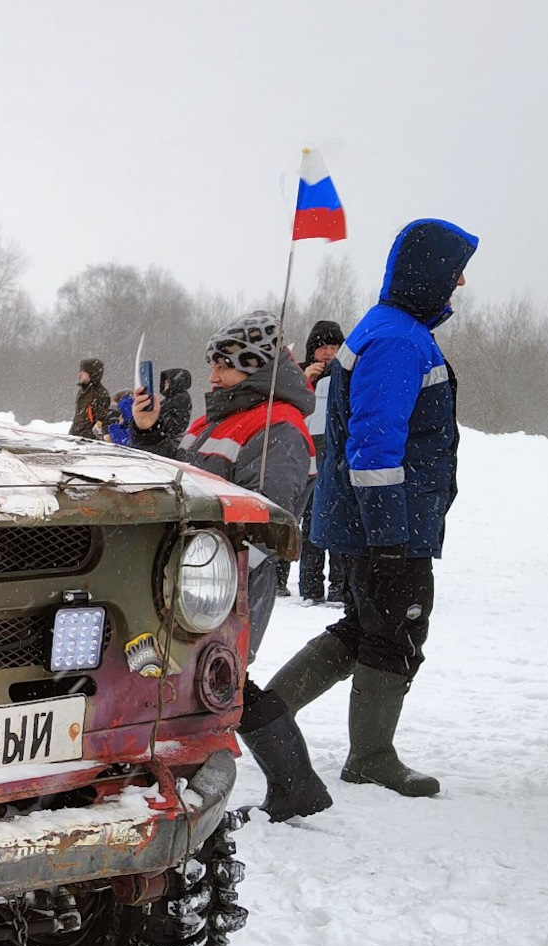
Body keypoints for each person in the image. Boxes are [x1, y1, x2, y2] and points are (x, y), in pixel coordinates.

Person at [265, 219, 479, 799]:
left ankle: (258, 716)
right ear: (428, 270)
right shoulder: (396, 340)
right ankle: (370, 755)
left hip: (387, 522)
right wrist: (388, 536)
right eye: (454, 268)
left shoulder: (397, 330)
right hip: (388, 525)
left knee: (364, 628)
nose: (461, 280)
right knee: (394, 631)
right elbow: (374, 444)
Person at [133, 309, 329, 821]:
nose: (214, 376)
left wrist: (219, 575)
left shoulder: (277, 427)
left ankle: (296, 786)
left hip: (226, 583)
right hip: (188, 576)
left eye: (226, 367)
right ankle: (295, 786)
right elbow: (173, 481)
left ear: (256, 370)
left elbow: (269, 522)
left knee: (224, 681)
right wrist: (150, 435)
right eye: (214, 364)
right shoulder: (214, 418)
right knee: (215, 680)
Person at [297, 319, 347, 604]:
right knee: (311, 520)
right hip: (308, 452)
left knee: (339, 519)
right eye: (322, 347)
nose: (328, 353)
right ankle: (310, 587)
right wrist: (306, 379)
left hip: (337, 450)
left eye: (333, 346)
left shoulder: (348, 372)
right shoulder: (299, 375)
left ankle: (339, 586)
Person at [129, 366, 191, 457]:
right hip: (165, 436)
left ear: (175, 382)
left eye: (167, 381)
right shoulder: (173, 398)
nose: (164, 384)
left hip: (169, 435)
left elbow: (174, 419)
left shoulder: (180, 398)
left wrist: (155, 422)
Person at [71, 357, 116, 440]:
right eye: (80, 371)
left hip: (89, 442)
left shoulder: (100, 393)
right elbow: (78, 418)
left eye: (83, 371)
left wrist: (92, 437)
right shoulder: (82, 392)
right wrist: (71, 434)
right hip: (77, 439)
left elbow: (102, 422)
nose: (79, 374)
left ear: (91, 373)